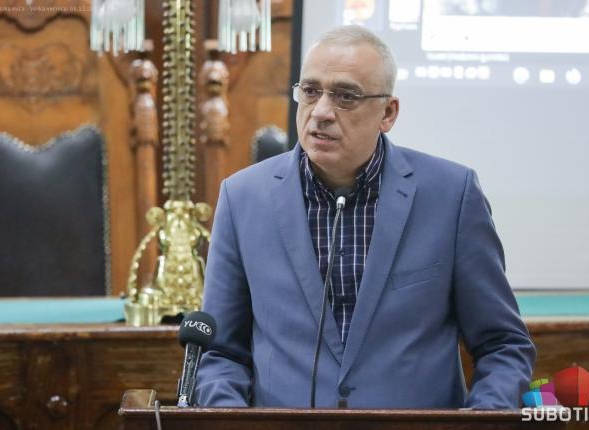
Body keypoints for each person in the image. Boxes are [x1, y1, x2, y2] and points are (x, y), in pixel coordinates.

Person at [195, 25, 535, 409]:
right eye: (310, 91)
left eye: (346, 96)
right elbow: (219, 353)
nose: (321, 112)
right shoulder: (243, 198)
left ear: (387, 113)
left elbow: (502, 344)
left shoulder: (451, 196)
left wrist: (481, 420)